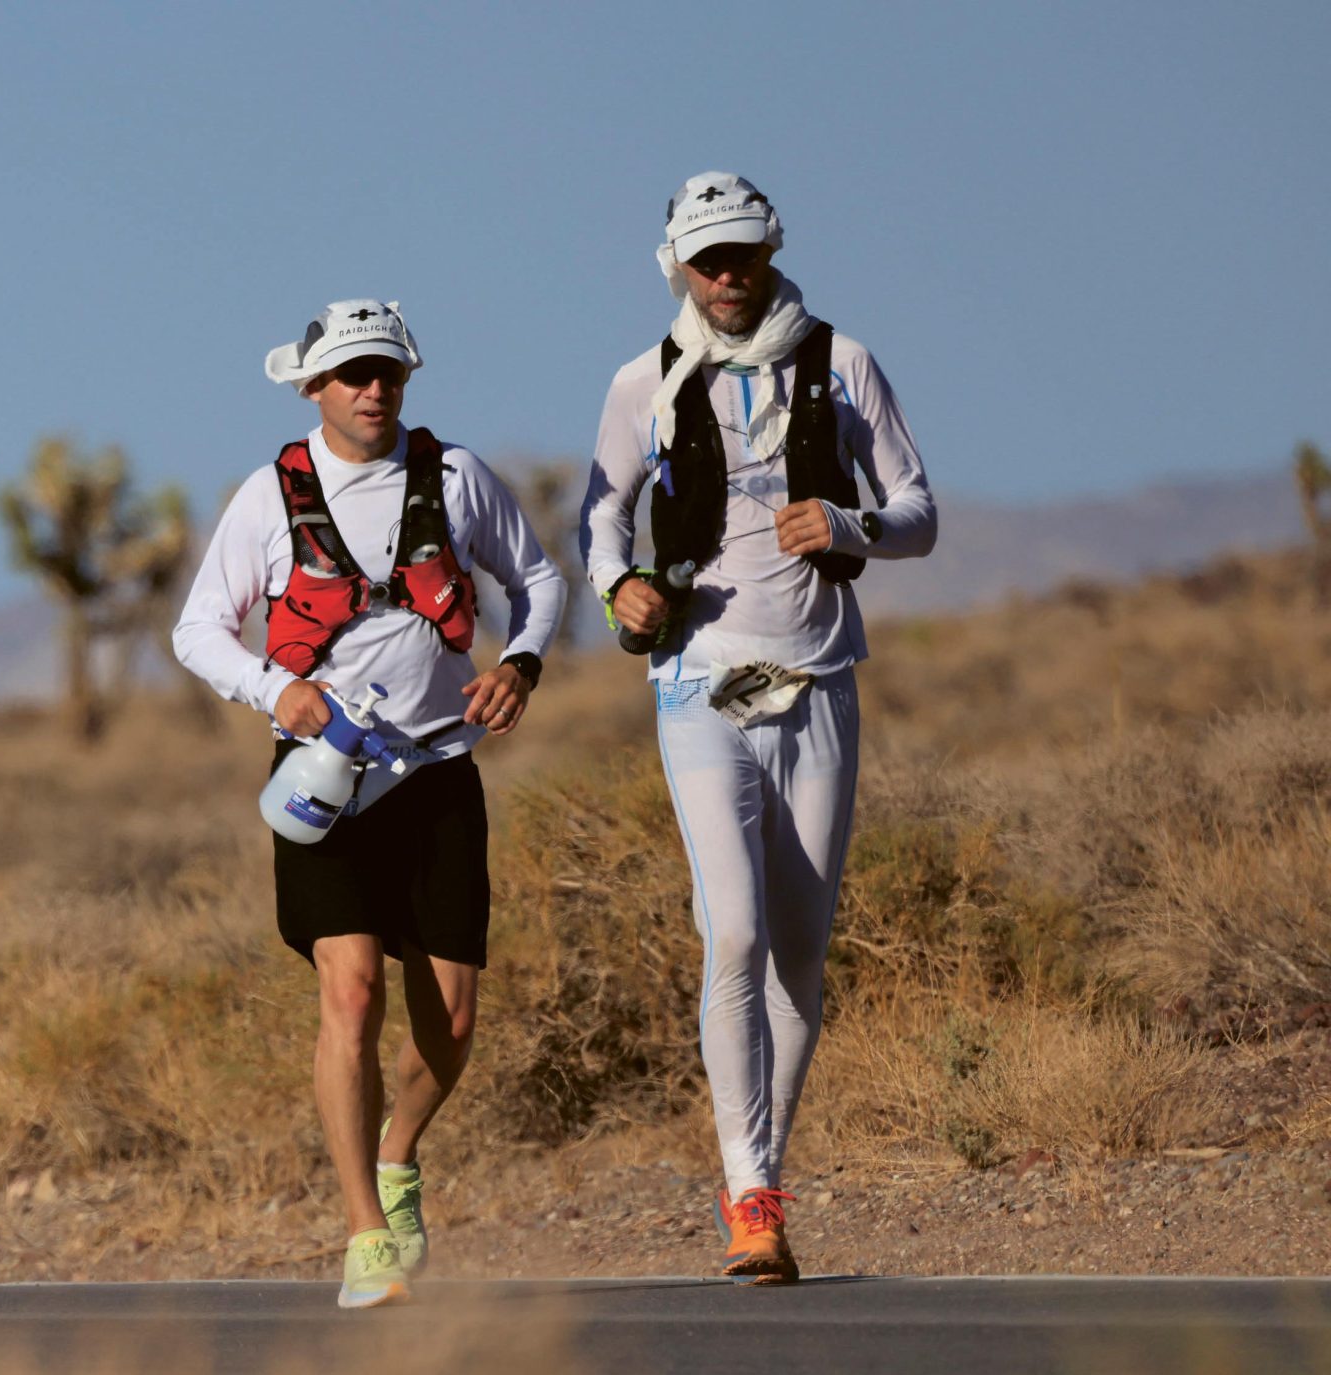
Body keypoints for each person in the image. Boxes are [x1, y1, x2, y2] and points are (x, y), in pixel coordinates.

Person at [580, 174, 936, 1283]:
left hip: (816, 675)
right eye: (706, 257)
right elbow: (598, 511)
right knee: (730, 935)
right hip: (702, 684)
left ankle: (762, 1172)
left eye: (741, 252)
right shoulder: (644, 381)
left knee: (797, 953)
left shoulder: (842, 363)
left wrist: (847, 522)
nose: (726, 274)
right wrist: (615, 587)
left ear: (770, 249)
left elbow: (918, 512)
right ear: (675, 266)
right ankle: (751, 1198)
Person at [175, 300, 565, 1308]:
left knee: (454, 1017)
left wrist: (519, 663)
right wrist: (276, 689)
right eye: (350, 373)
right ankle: (363, 1233)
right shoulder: (269, 496)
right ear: (313, 387)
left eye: (386, 370)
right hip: (324, 777)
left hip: (438, 771)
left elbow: (537, 580)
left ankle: (398, 1158)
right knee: (348, 991)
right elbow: (198, 629)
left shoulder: (457, 480)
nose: (371, 388)